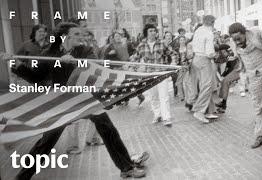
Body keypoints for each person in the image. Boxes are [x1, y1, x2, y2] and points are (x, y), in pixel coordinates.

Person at [11, 22, 149, 179]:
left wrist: (76, 62)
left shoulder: (85, 50)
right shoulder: (49, 53)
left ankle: (126, 168)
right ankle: (22, 177)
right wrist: (17, 65)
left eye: (81, 34)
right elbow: (35, 77)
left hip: (85, 99)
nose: (81, 37)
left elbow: (94, 66)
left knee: (108, 129)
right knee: (46, 143)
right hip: (63, 102)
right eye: (76, 34)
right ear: (65, 36)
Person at [135, 24, 173, 126]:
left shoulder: (162, 43)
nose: (153, 32)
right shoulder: (141, 45)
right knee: (153, 96)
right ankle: (157, 115)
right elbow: (136, 57)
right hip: (149, 74)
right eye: (151, 31)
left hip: (161, 73)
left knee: (164, 96)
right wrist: (128, 65)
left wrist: (170, 58)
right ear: (146, 33)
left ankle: (166, 117)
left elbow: (172, 53)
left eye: (154, 31)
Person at [190, 15, 219, 123]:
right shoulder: (209, 33)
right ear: (212, 22)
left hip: (196, 59)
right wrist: (215, 55)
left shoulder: (198, 30)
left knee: (204, 85)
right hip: (204, 59)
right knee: (207, 86)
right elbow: (210, 52)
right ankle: (199, 111)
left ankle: (209, 110)